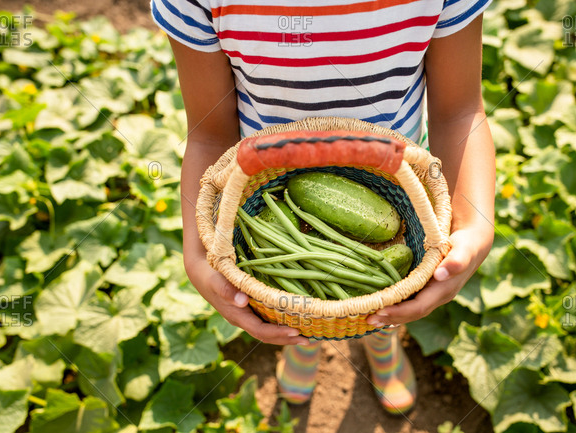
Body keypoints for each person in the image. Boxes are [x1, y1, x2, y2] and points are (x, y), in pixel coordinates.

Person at [151, 0, 495, 415]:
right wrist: (196, 252)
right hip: (269, 185)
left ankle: (380, 338)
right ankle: (304, 340)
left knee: (384, 290)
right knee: (299, 295)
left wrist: (475, 224)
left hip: (395, 180)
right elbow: (209, 133)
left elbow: (459, 111)